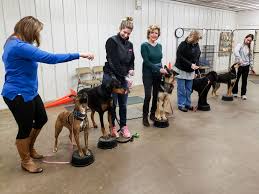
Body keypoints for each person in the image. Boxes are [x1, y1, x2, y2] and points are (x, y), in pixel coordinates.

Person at [1, 16, 94, 173]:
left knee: (41, 118)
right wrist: (79, 54)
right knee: (24, 128)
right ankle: (26, 160)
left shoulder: (12, 42)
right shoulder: (19, 46)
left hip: (29, 92)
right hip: (18, 94)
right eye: (36, 32)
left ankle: (30, 149)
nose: (37, 35)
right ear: (28, 30)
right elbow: (51, 58)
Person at [103, 17, 135, 138]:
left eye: (128, 33)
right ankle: (112, 127)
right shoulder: (111, 41)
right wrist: (125, 77)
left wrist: (131, 69)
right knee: (112, 104)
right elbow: (114, 63)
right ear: (120, 28)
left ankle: (123, 126)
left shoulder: (130, 44)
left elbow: (132, 60)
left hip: (123, 77)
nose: (125, 35)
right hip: (111, 77)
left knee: (123, 104)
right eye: (124, 32)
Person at [141, 25, 167, 127]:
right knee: (148, 96)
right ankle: (144, 117)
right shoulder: (144, 45)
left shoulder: (159, 46)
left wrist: (162, 70)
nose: (154, 35)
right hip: (148, 74)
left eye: (156, 33)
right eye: (152, 32)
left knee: (156, 95)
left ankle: (152, 114)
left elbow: (159, 60)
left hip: (158, 74)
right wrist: (158, 69)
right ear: (149, 34)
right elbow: (146, 62)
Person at [173, 31, 201, 112]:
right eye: (196, 40)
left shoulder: (196, 45)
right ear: (192, 38)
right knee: (181, 89)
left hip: (191, 71)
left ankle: (187, 104)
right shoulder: (183, 44)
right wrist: (190, 64)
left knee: (189, 89)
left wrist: (196, 71)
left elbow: (197, 57)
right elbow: (179, 56)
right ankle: (181, 104)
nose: (197, 42)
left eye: (198, 40)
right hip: (181, 69)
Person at [232, 34, 255, 100]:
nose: (248, 42)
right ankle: (235, 92)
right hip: (239, 65)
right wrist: (240, 59)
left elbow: (250, 58)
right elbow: (235, 51)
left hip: (246, 66)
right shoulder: (240, 45)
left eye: (250, 41)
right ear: (245, 38)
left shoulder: (250, 48)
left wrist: (252, 67)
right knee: (236, 79)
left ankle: (243, 94)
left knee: (244, 81)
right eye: (248, 40)